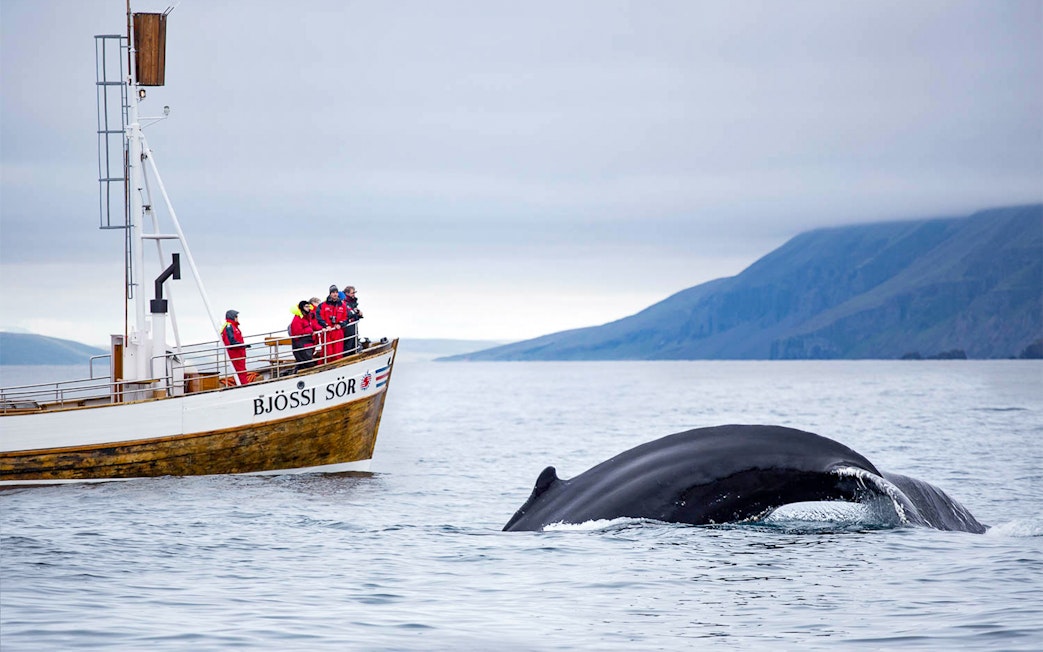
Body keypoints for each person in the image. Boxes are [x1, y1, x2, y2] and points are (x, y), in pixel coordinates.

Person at [316, 285, 348, 362]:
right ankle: (325, 366)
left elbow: (346, 317)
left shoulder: (343, 306)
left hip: (338, 331)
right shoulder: (322, 305)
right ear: (330, 293)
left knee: (338, 351)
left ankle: (338, 365)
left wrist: (341, 324)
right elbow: (319, 317)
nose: (335, 294)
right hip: (328, 331)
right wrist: (325, 325)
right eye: (333, 292)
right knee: (327, 352)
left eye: (336, 292)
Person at [221, 309, 250, 385]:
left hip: (238, 352)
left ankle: (243, 384)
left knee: (241, 371)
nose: (237, 318)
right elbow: (231, 342)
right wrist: (242, 345)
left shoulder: (232, 326)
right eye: (236, 316)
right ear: (232, 317)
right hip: (236, 353)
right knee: (240, 371)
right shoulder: (229, 327)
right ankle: (244, 386)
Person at [289, 300, 316, 373]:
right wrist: (309, 331)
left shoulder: (307, 317)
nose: (308, 308)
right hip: (301, 344)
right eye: (306, 307)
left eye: (308, 306)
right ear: (302, 308)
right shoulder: (297, 319)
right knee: (305, 362)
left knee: (305, 362)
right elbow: (296, 332)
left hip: (307, 343)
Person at [342, 285, 363, 354]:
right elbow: (347, 313)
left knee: (354, 341)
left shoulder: (352, 302)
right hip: (348, 326)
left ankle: (354, 353)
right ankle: (346, 357)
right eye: (352, 293)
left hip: (353, 325)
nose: (354, 294)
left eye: (354, 293)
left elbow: (353, 312)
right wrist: (354, 312)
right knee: (348, 343)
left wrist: (358, 314)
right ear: (347, 293)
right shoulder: (344, 302)